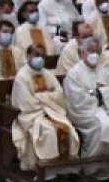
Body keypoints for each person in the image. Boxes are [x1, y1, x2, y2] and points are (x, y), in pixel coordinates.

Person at [64, 38, 109, 172]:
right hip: (84, 112)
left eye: (97, 51)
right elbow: (78, 99)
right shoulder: (74, 73)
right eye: (91, 51)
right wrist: (100, 94)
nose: (94, 55)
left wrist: (97, 93)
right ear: (82, 53)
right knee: (106, 125)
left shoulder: (103, 70)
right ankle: (94, 168)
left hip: (105, 108)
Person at [10, 45, 78, 173]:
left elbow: (59, 94)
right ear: (28, 56)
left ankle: (64, 169)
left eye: (42, 56)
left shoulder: (48, 74)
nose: (40, 58)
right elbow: (28, 103)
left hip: (51, 112)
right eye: (36, 55)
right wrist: (48, 97)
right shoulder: (22, 76)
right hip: (31, 115)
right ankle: (46, 171)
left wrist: (39, 96)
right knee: (48, 132)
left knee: (67, 128)